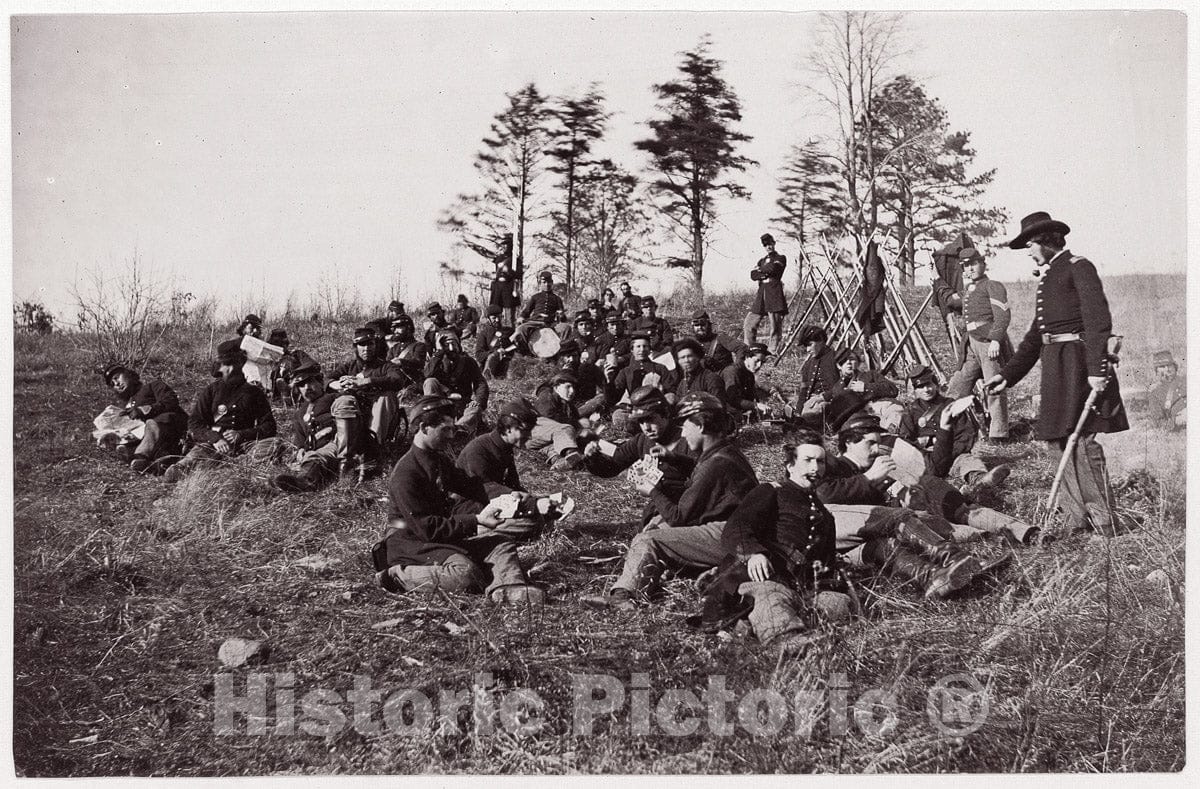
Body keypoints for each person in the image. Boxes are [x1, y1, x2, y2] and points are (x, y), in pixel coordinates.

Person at [986, 212, 1129, 537]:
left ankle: (1104, 522)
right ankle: (1075, 519)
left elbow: (1097, 320)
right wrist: (1007, 376)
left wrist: (1096, 370)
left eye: (1031, 243)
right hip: (1055, 368)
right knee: (1056, 440)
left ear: (1048, 241)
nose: (1029, 251)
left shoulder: (1079, 267)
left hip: (1078, 366)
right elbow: (1035, 337)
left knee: (1082, 440)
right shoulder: (1048, 278)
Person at [580, 392, 758, 611]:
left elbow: (678, 518)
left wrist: (652, 491)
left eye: (685, 425)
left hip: (733, 536)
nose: (682, 431)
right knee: (653, 535)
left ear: (701, 426)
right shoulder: (725, 452)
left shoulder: (715, 464)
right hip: (736, 531)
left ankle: (624, 596)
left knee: (649, 540)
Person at [374, 396, 543, 605]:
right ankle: (396, 576)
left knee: (501, 542)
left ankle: (508, 588)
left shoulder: (438, 460)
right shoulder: (406, 473)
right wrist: (477, 520)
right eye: (445, 429)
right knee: (465, 574)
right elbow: (426, 528)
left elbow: (471, 486)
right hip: (410, 543)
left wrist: (509, 497)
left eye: (453, 429)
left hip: (437, 539)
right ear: (425, 428)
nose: (452, 436)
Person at [698, 433, 851, 645]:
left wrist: (827, 588)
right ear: (790, 465)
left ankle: (750, 628)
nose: (815, 468)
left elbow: (826, 566)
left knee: (839, 603)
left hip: (799, 588)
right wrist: (753, 554)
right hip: (760, 579)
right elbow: (738, 526)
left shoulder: (825, 516)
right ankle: (790, 644)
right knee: (772, 597)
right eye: (808, 461)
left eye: (820, 461)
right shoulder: (771, 491)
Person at [820, 414, 1037, 545]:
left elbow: (922, 476)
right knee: (941, 525)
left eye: (878, 443)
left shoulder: (880, 462)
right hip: (902, 522)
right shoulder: (835, 467)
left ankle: (1026, 532)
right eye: (870, 444)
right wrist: (868, 479)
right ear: (848, 443)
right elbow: (824, 494)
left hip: (925, 504)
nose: (877, 449)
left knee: (961, 508)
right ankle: (991, 537)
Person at [165, 340, 277, 482]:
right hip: (213, 444)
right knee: (187, 463)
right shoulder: (212, 391)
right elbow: (194, 423)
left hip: (244, 445)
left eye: (231, 364)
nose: (227, 370)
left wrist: (241, 434)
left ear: (240, 364)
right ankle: (191, 469)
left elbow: (269, 427)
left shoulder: (254, 393)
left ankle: (235, 466)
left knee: (274, 444)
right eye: (224, 365)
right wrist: (215, 438)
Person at [582, 386, 695, 526]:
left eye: (650, 419)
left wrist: (674, 458)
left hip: (689, 509)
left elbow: (705, 474)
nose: (646, 427)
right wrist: (592, 458)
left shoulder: (690, 439)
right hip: (660, 507)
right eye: (641, 421)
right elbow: (612, 467)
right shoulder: (642, 441)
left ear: (665, 413)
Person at [898, 365, 1009, 491]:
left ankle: (981, 479)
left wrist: (950, 454)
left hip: (952, 452)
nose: (926, 390)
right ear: (915, 390)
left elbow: (966, 435)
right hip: (927, 457)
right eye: (920, 387)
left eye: (929, 384)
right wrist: (924, 452)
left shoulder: (951, 405)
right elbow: (904, 441)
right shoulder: (911, 411)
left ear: (936, 384)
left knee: (966, 460)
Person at [941, 247, 1012, 440]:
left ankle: (999, 434)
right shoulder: (968, 290)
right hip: (970, 343)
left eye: (973, 264)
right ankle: (946, 428)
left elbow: (1003, 316)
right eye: (965, 266)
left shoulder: (993, 286)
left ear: (983, 264)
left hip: (988, 342)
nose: (970, 269)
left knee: (993, 387)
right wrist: (938, 281)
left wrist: (996, 340)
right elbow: (952, 301)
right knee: (959, 383)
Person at [269, 360, 361, 492]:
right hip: (318, 452)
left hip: (340, 443)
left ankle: (309, 480)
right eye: (301, 385)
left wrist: (330, 430)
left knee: (320, 453)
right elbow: (300, 442)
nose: (307, 388)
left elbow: (348, 418)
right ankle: (303, 481)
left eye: (310, 382)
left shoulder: (335, 397)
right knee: (311, 456)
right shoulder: (299, 414)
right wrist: (300, 450)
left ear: (320, 382)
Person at [326, 326, 406, 470]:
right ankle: (346, 459)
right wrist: (336, 384)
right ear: (355, 347)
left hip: (379, 420)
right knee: (343, 401)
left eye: (370, 344)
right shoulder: (349, 366)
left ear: (376, 345)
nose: (366, 348)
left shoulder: (385, 366)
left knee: (387, 396)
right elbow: (326, 379)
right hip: (355, 417)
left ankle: (373, 451)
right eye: (362, 345)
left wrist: (367, 381)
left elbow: (397, 380)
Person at [100, 365, 188, 473]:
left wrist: (145, 410)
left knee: (152, 423)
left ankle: (139, 456)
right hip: (152, 439)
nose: (117, 384)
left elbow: (171, 400)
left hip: (172, 427)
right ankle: (147, 464)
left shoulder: (153, 386)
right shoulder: (127, 406)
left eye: (117, 377)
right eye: (113, 384)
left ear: (128, 373)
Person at [456, 398, 538, 497]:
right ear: (508, 429)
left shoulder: (504, 447)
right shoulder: (477, 450)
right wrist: (513, 494)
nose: (529, 436)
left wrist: (533, 500)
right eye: (525, 431)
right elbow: (481, 488)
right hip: (471, 505)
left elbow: (512, 485)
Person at [423, 330, 489, 433]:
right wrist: (438, 354)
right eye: (446, 345)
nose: (451, 348)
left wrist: (478, 401)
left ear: (459, 345)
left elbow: (480, 383)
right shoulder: (436, 362)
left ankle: (458, 430)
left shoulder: (468, 362)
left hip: (463, 402)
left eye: (453, 344)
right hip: (441, 403)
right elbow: (426, 377)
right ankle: (434, 423)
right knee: (430, 381)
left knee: (474, 409)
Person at [824, 348, 903, 430]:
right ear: (838, 366)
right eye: (843, 361)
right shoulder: (837, 387)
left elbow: (893, 389)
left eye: (851, 359)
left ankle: (891, 431)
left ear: (858, 362)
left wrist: (866, 387)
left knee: (895, 407)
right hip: (854, 415)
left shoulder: (871, 375)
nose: (848, 363)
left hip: (877, 406)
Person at [607, 333, 670, 433]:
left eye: (645, 346)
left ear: (650, 349)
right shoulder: (626, 371)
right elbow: (615, 396)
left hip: (655, 408)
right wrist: (609, 381)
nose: (642, 350)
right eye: (638, 346)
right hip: (634, 410)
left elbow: (670, 388)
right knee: (618, 416)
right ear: (632, 350)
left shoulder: (660, 368)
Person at [744, 232, 788, 352]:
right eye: (766, 245)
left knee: (775, 326)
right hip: (761, 295)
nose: (769, 247)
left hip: (774, 294)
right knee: (749, 323)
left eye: (770, 244)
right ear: (764, 247)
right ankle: (750, 349)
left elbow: (774, 269)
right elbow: (753, 275)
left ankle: (772, 350)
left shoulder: (780, 258)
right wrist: (764, 272)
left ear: (774, 243)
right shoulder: (761, 260)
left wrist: (761, 271)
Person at [539, 339, 607, 418]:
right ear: (562, 358)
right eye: (568, 356)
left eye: (574, 355)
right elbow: (542, 389)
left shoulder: (590, 368)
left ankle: (573, 416)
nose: (571, 359)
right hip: (565, 405)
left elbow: (604, 388)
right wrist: (563, 374)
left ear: (579, 355)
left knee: (601, 398)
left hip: (586, 404)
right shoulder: (558, 370)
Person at [663, 337, 726, 405]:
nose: (686, 360)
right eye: (682, 358)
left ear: (698, 357)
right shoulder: (683, 384)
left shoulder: (711, 379)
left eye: (689, 356)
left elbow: (719, 406)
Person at [793, 325, 839, 414]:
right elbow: (804, 391)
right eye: (806, 346)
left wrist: (824, 397)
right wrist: (798, 412)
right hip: (811, 403)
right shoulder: (808, 364)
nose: (808, 350)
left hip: (832, 402)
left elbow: (846, 386)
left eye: (810, 345)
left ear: (821, 340)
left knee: (814, 411)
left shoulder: (837, 358)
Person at [722, 343, 773, 420]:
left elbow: (750, 398)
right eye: (757, 361)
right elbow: (732, 400)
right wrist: (756, 406)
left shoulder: (749, 374)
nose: (759, 365)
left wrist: (760, 409)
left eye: (762, 362)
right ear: (747, 357)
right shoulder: (732, 372)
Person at [384, 314, 428, 390]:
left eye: (399, 327)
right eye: (394, 328)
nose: (395, 331)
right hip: (396, 387)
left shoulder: (419, 346)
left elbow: (418, 363)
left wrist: (401, 362)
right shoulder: (393, 349)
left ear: (408, 328)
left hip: (413, 387)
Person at [1148, 350, 1186, 430]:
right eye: (1162, 366)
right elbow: (1158, 422)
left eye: (1169, 365)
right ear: (1156, 371)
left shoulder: (1186, 380)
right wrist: (1176, 421)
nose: (1167, 369)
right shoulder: (1154, 393)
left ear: (1175, 367)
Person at [489, 234, 519, 328]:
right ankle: (496, 331)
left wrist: (509, 271)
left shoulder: (515, 260)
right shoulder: (498, 259)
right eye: (504, 244)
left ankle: (510, 332)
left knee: (510, 314)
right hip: (498, 287)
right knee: (496, 311)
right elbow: (495, 273)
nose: (505, 246)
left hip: (509, 286)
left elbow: (519, 275)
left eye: (507, 244)